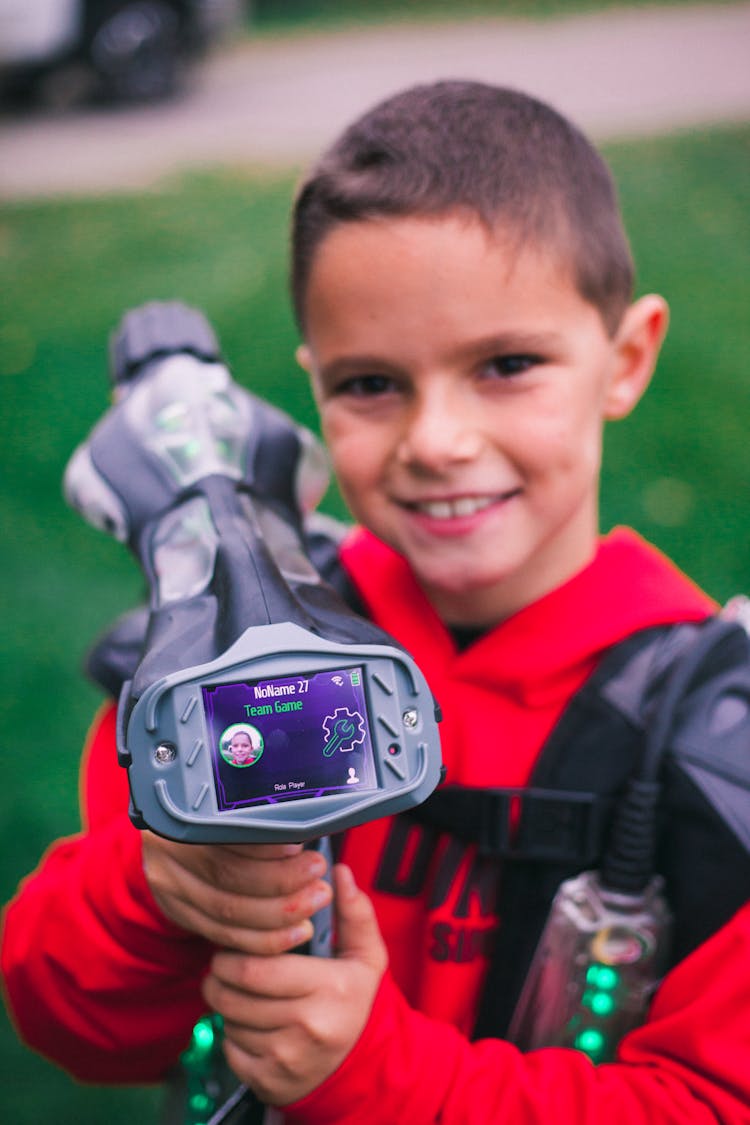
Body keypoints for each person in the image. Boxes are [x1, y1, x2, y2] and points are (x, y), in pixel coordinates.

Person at [2, 81, 750, 1123]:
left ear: (625, 357)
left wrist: (382, 1078)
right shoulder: (214, 667)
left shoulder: (721, 742)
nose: (435, 440)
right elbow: (69, 1021)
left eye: (507, 364)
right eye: (370, 384)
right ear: (311, 384)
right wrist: (156, 888)